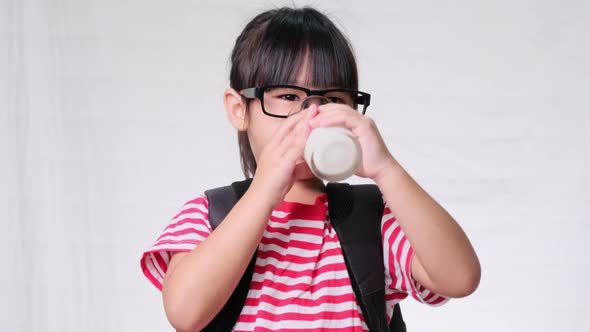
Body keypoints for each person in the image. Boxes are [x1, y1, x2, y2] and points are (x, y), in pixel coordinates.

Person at [140, 6, 481, 331]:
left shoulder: (371, 218)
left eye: (333, 99)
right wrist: (264, 191)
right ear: (238, 109)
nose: (311, 116)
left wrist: (386, 169)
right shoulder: (211, 214)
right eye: (288, 97)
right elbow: (185, 313)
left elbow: (460, 278)